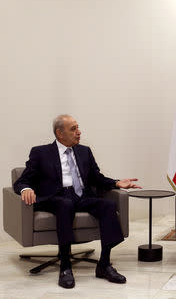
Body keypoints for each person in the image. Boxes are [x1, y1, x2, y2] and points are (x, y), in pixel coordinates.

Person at [13, 114, 142, 289]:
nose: (79, 132)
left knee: (108, 205)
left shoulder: (84, 151)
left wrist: (116, 183)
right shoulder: (40, 152)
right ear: (59, 133)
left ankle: (104, 265)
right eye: (73, 129)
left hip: (81, 196)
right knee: (65, 205)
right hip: (55, 197)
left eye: (77, 127)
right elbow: (22, 181)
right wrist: (25, 189)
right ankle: (65, 267)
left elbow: (97, 178)